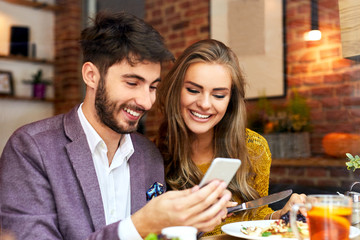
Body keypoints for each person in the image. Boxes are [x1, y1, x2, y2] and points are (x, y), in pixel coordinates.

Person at [0, 12, 232, 240]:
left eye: (152, 87)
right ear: (91, 75)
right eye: (132, 83)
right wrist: (140, 225)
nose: (146, 101)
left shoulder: (149, 154)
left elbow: (158, 236)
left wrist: (191, 223)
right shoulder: (30, 148)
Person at [156, 39, 306, 236]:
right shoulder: (154, 155)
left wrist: (281, 217)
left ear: (230, 101)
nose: (204, 104)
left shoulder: (253, 148)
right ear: (176, 90)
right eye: (193, 90)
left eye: (219, 95)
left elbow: (255, 216)